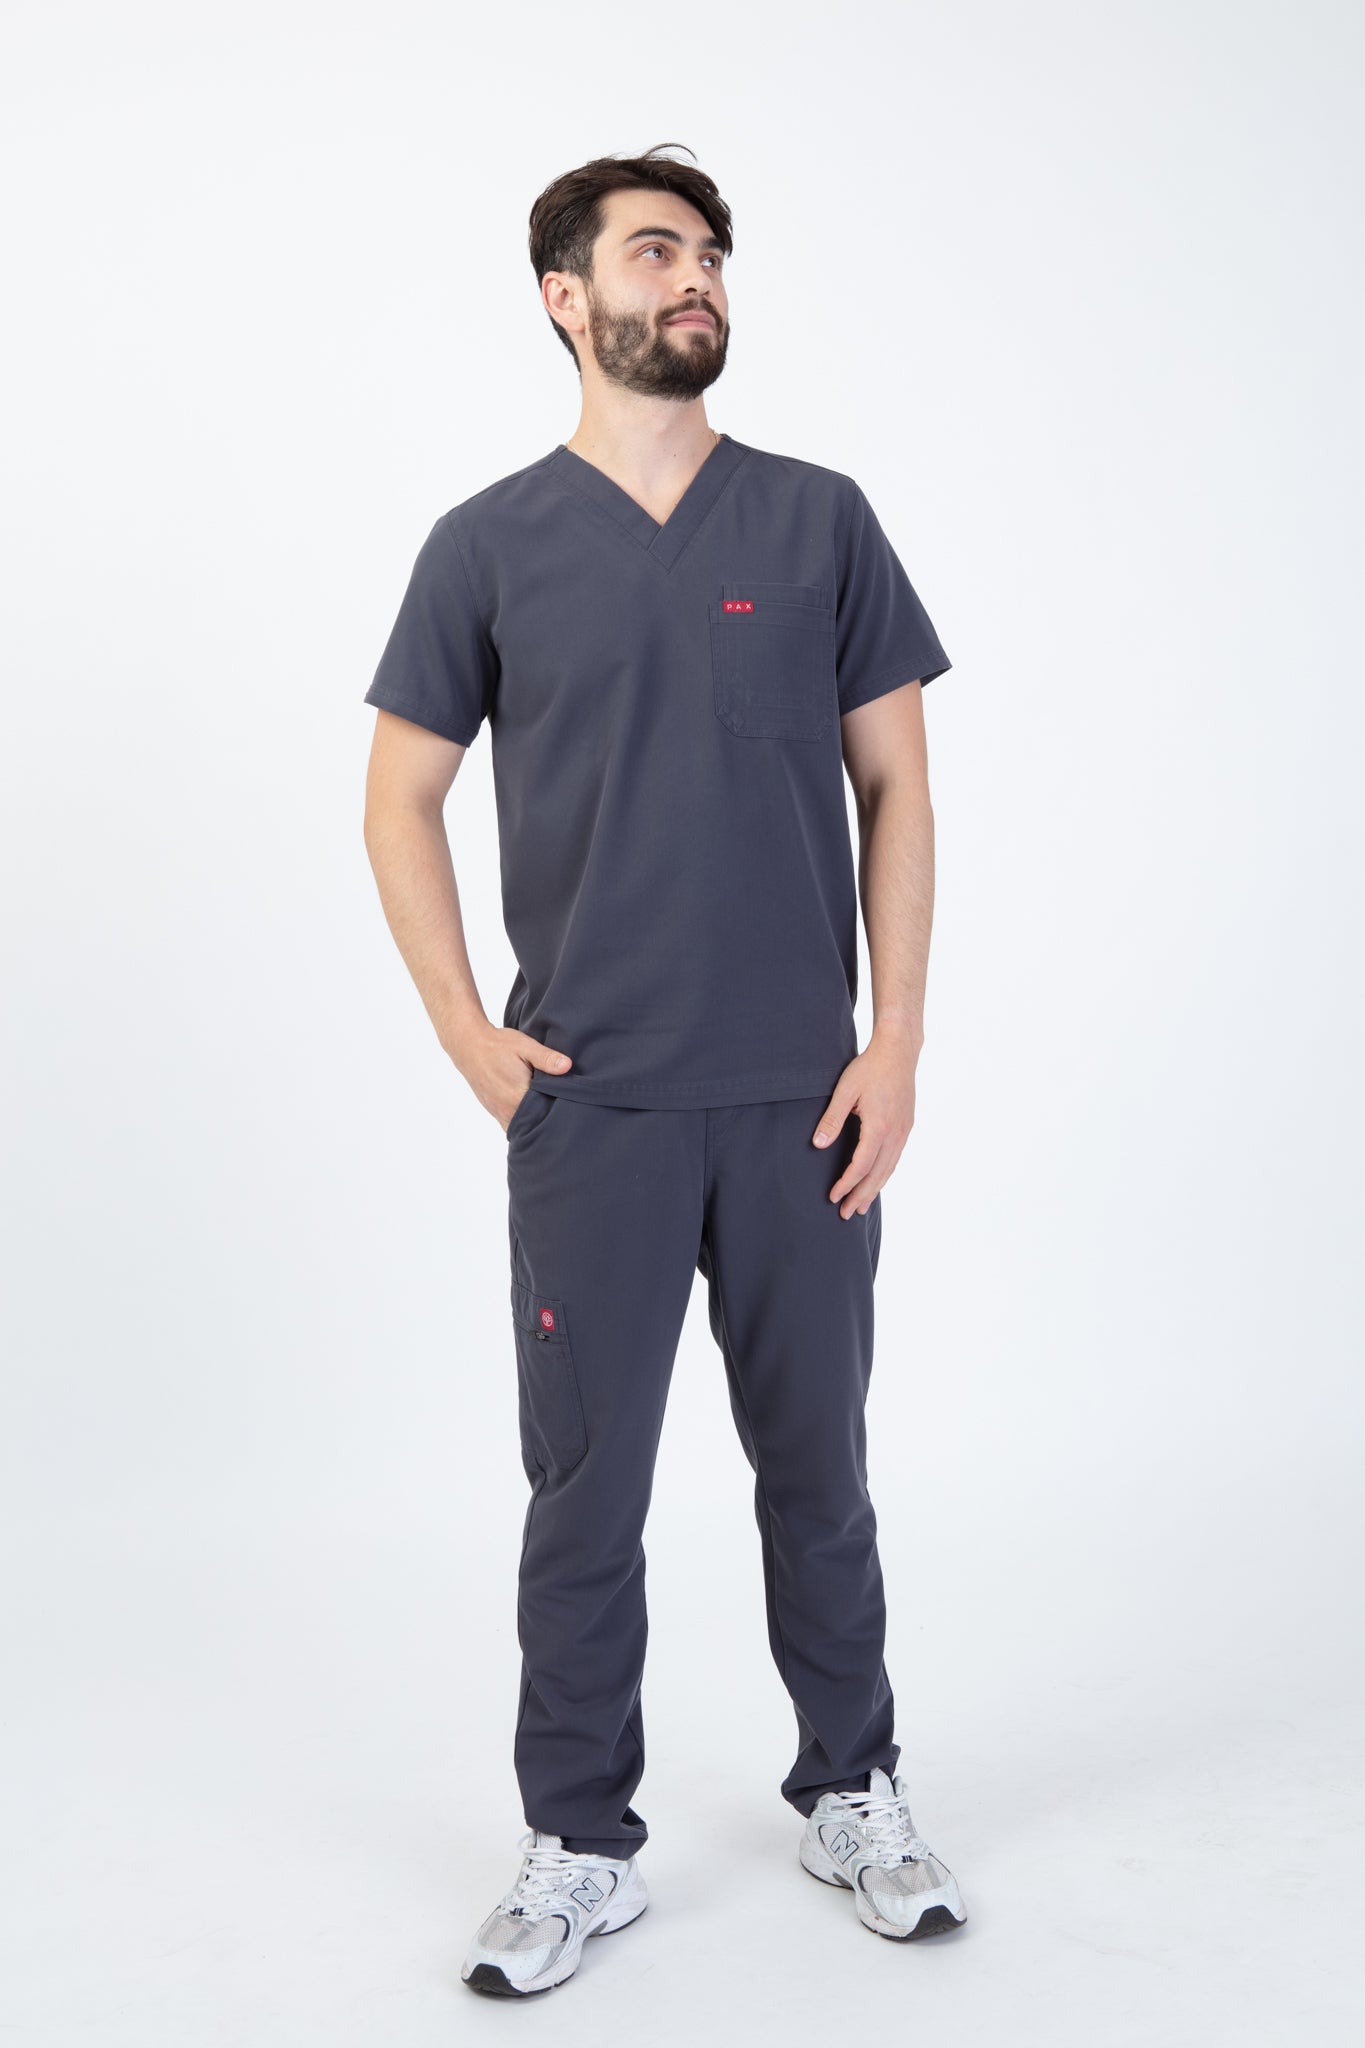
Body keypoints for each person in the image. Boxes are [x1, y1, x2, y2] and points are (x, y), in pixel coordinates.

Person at [361, 143, 968, 1998]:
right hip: (594, 1108)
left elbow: (896, 786)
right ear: (566, 298)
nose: (694, 275)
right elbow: (397, 798)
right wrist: (470, 1038)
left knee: (821, 1475)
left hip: (802, 1106)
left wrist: (895, 1040)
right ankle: (579, 1843)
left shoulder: (817, 520)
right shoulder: (486, 546)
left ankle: (852, 1789)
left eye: (707, 252)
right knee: (585, 1496)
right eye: (653, 251)